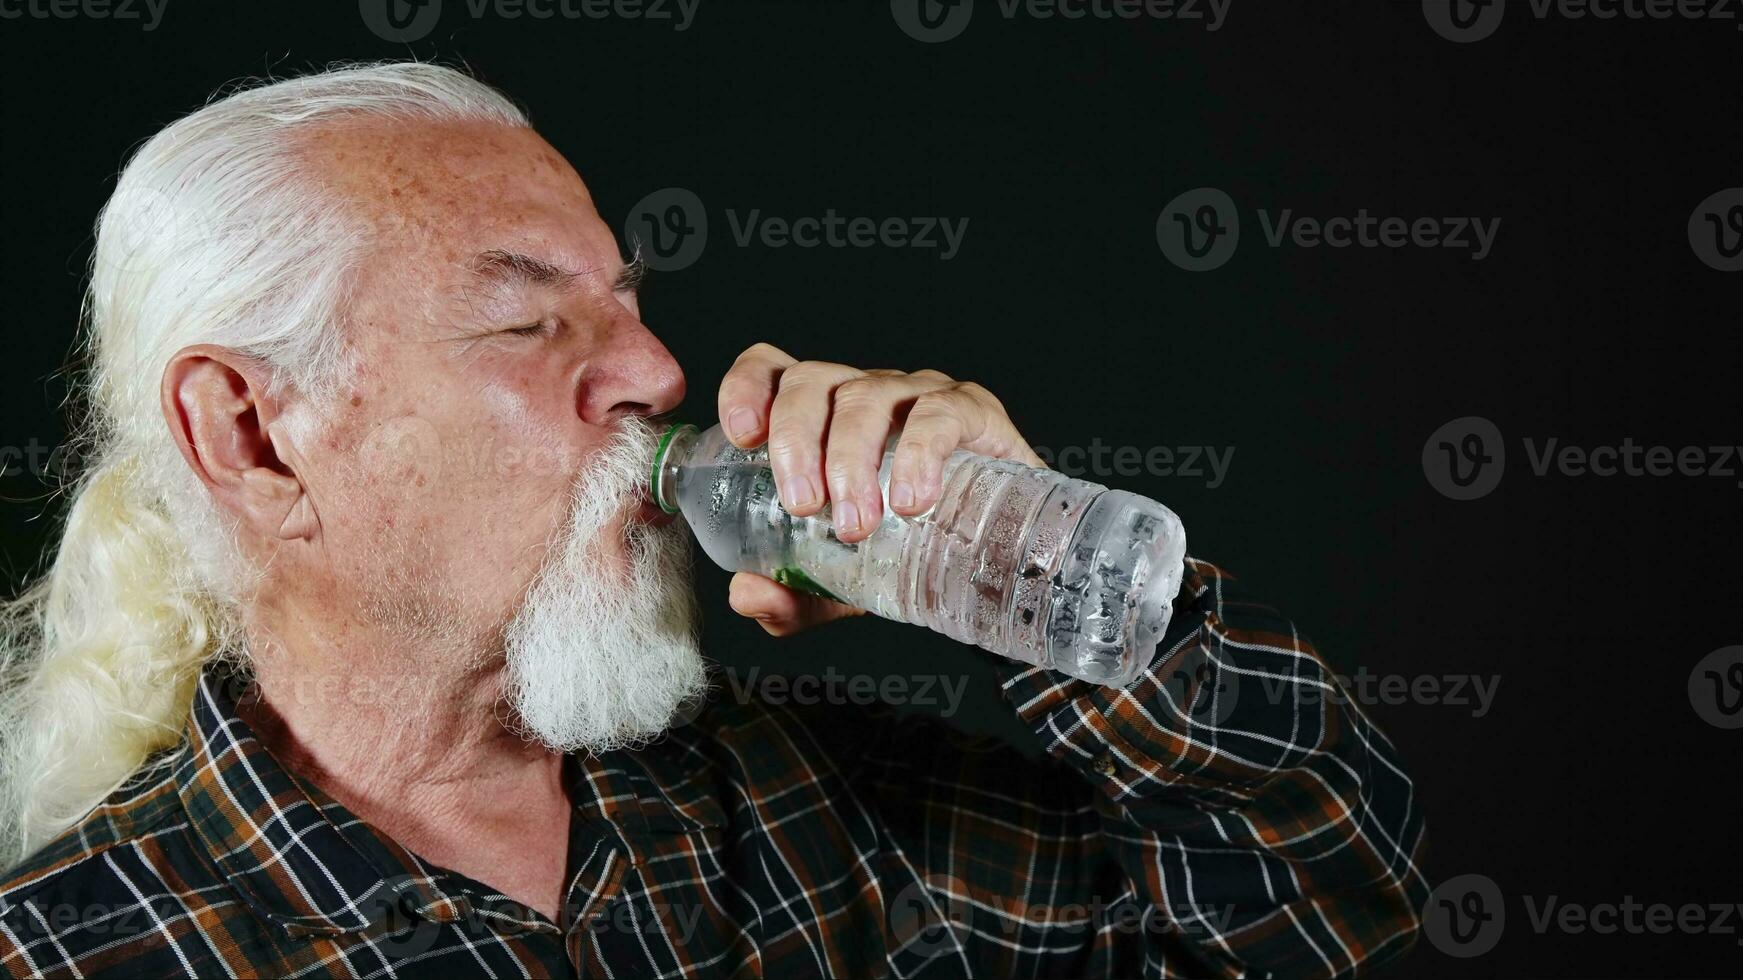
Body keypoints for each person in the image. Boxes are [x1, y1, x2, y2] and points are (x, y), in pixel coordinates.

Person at [0, 63, 1426, 978]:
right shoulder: (75, 955)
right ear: (252, 434)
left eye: (622, 303)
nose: (656, 374)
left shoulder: (821, 808)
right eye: (523, 320)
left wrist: (1033, 551)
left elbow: (1323, 906)